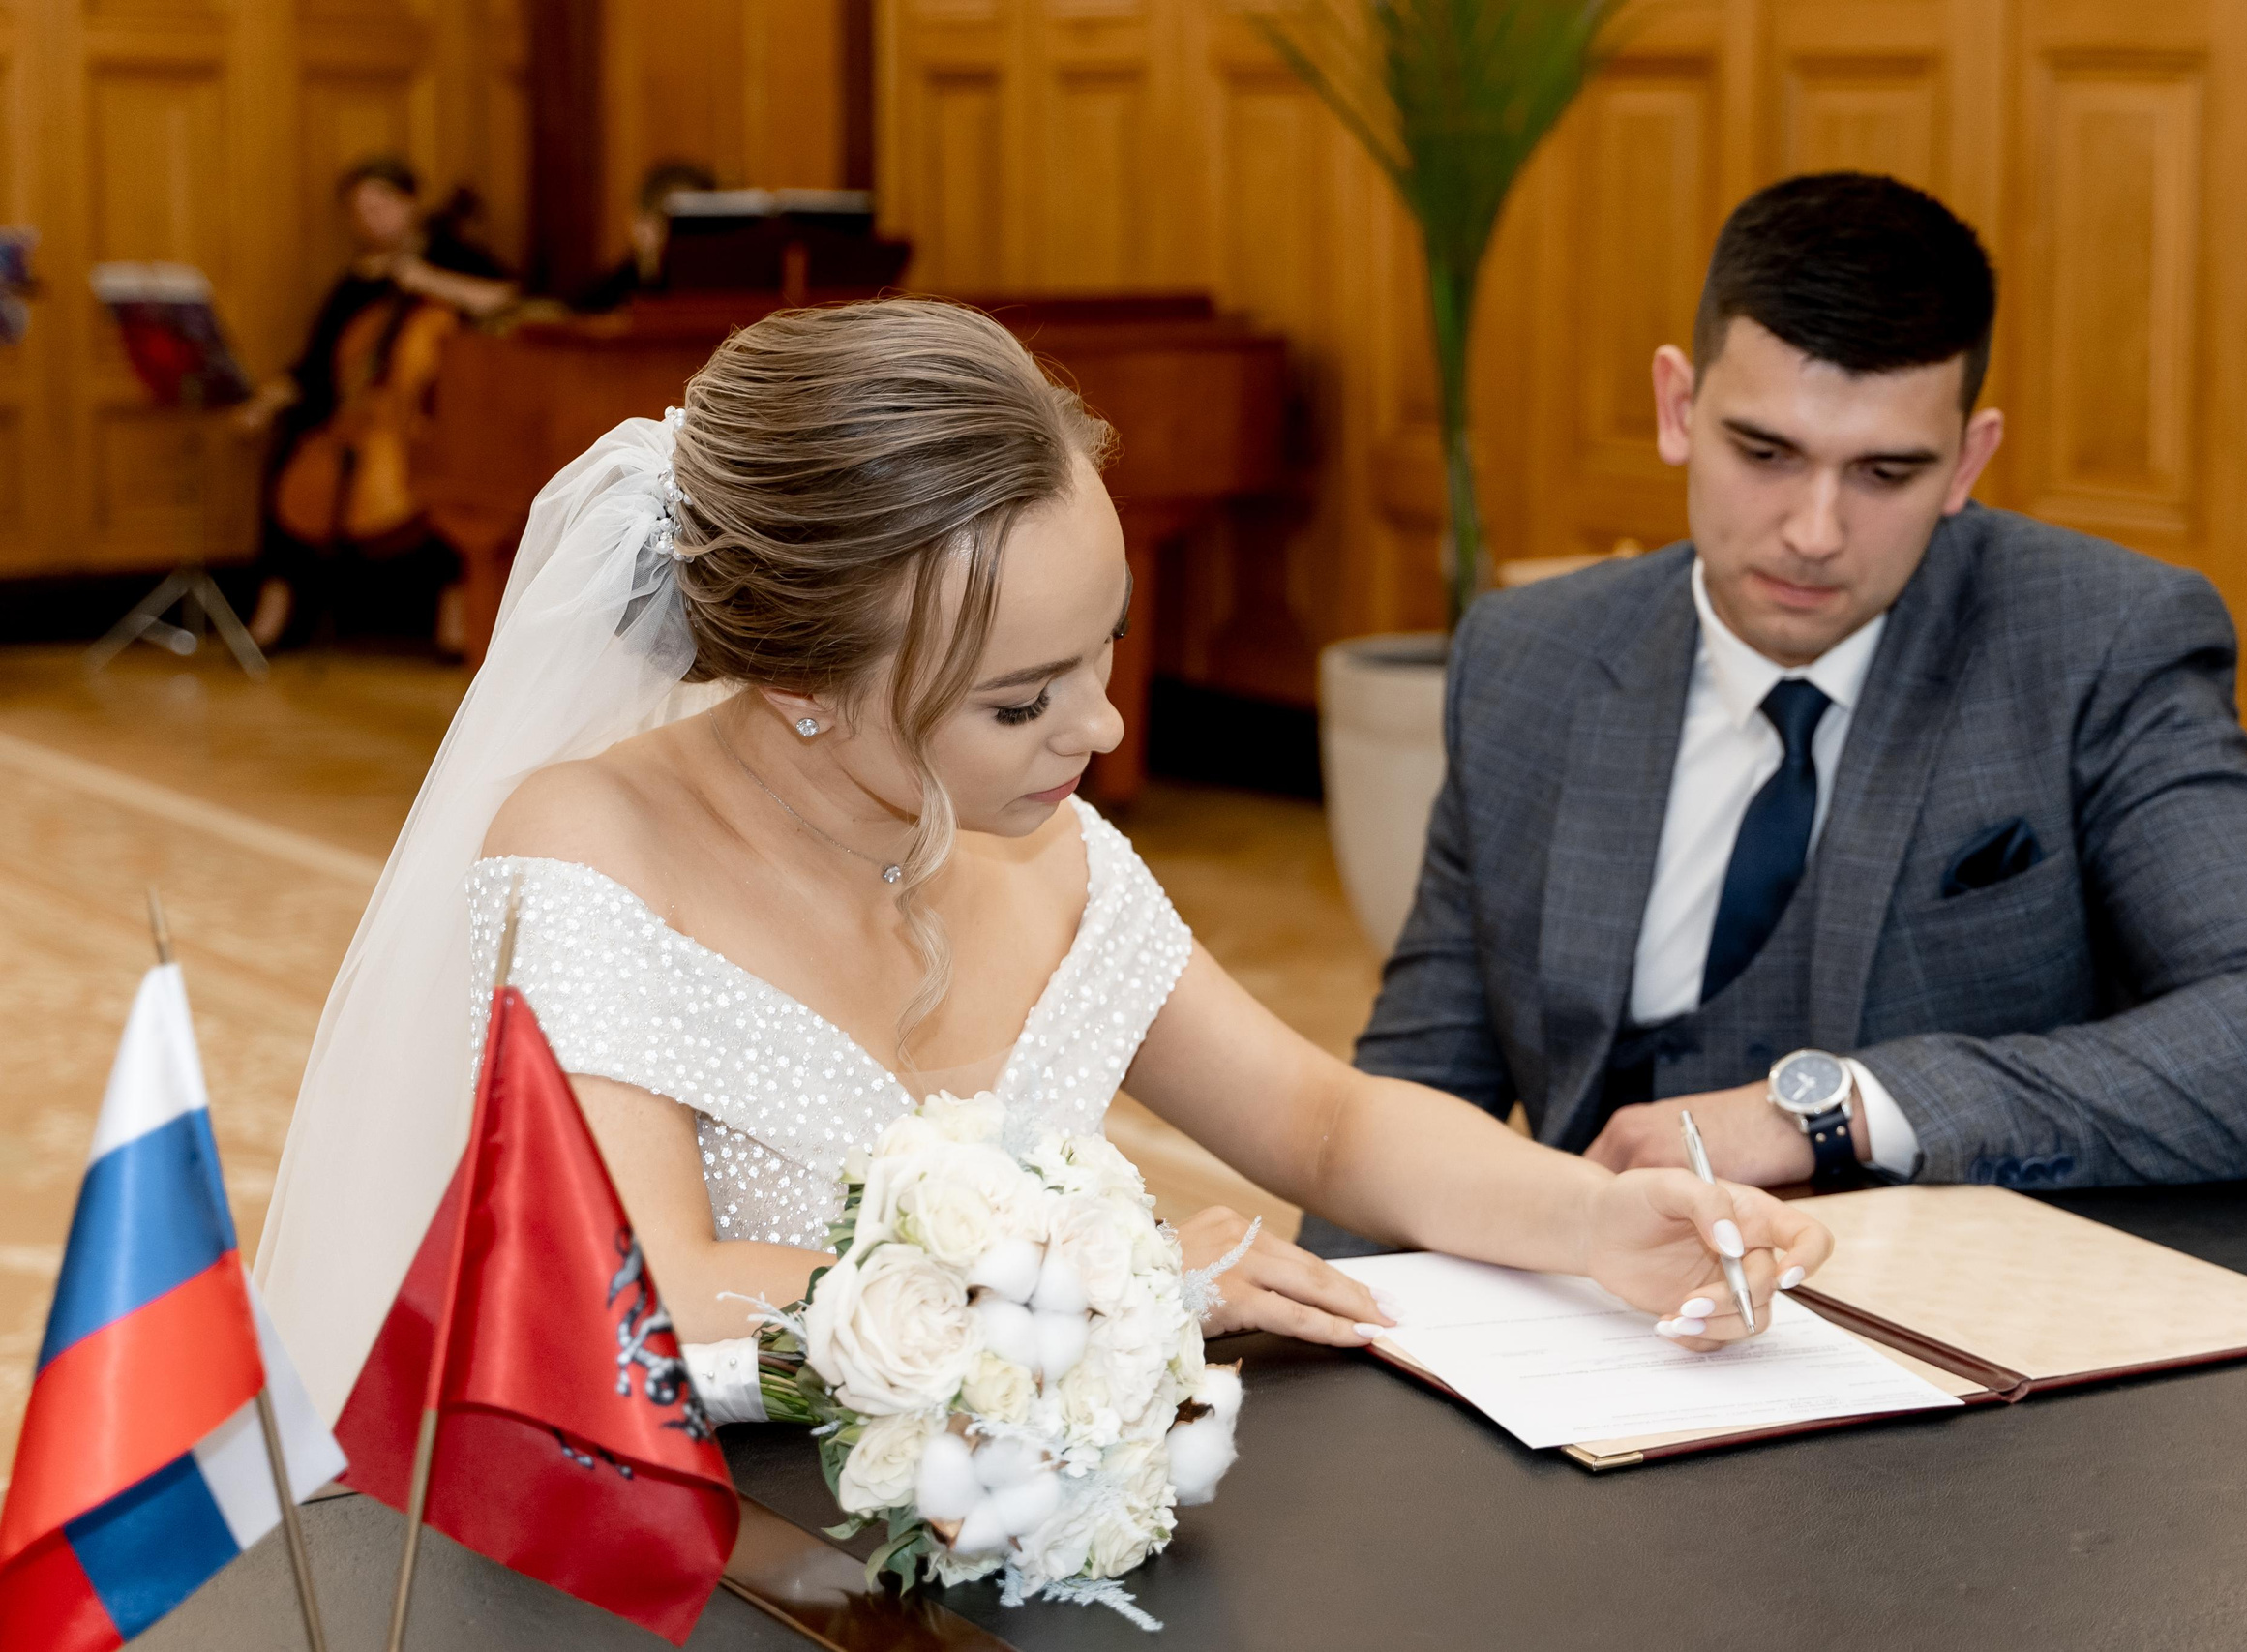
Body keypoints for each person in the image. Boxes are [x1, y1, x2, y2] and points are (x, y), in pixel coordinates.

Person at [253, 299, 1835, 1422]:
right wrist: (1110, 1281)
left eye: (1107, 651)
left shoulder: (1044, 848)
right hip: (704, 1556)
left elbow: (1322, 1118)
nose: (1099, 725)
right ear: (803, 680)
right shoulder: (591, 848)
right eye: (1020, 698)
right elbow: (653, 1289)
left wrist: (1586, 1221)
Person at [1301, 173, 2247, 1258]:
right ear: (1678, 408)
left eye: (1884, 471)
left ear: (1967, 461)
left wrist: (1829, 1109)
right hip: (1605, 1325)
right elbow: (1411, 1100)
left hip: (1961, 1348)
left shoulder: (2098, 643)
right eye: (1764, 454)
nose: (1813, 530)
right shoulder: (1525, 659)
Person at [236, 157, 517, 653]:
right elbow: (314, 368)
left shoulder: (450, 256)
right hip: (360, 415)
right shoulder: (353, 283)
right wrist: (263, 402)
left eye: (381, 203)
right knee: (289, 450)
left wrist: (424, 279)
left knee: (452, 472)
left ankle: (454, 617)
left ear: (411, 204)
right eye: (359, 209)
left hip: (438, 416)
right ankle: (275, 608)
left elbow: (507, 302)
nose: (370, 217)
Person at [572, 159, 717, 313]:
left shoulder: (722, 299)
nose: (688, 238)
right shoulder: (597, 304)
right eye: (673, 224)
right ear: (639, 224)